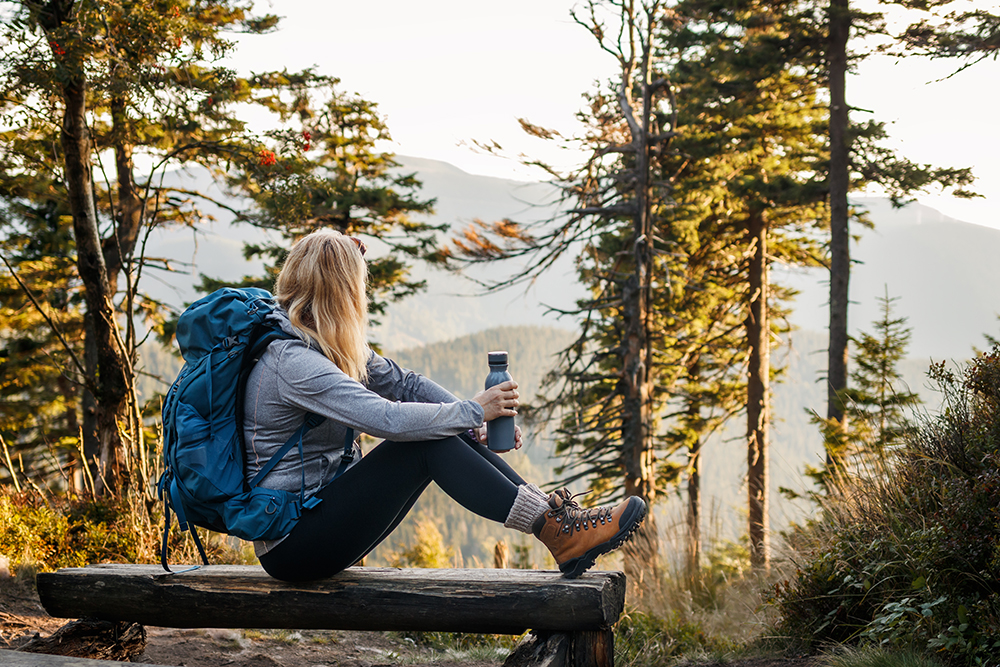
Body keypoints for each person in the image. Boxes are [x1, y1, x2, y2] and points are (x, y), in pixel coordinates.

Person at [243, 229, 646, 582]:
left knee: (443, 428)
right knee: (425, 441)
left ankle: (559, 522)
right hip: (293, 543)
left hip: (321, 518)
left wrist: (472, 424)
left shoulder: (324, 344)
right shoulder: (293, 363)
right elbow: (387, 419)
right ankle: (557, 530)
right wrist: (473, 411)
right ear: (342, 293)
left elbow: (406, 384)